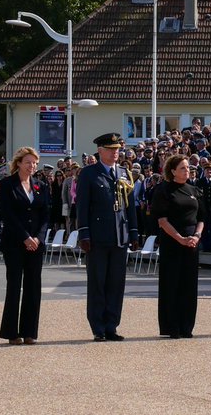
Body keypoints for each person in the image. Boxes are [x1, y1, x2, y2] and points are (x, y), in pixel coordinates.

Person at [77, 132, 140, 342]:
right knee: (97, 283)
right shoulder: (89, 174)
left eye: (118, 150)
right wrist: (84, 233)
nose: (116, 153)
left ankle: (112, 325)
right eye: (111, 150)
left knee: (116, 284)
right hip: (97, 237)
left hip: (119, 237)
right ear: (100, 151)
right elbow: (82, 206)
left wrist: (133, 232)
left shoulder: (124, 173)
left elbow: (130, 207)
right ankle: (98, 327)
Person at [0, 146, 49, 344]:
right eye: (28, 162)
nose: (32, 166)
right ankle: (11, 332)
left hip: (36, 244)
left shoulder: (40, 185)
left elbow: (45, 215)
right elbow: (8, 214)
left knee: (33, 287)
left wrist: (38, 238)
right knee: (15, 286)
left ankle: (29, 332)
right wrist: (25, 237)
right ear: (18, 163)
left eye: (35, 163)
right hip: (14, 243)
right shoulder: (7, 184)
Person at [151, 154, 205, 338]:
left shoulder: (194, 190)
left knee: (189, 285)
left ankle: (186, 326)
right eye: (183, 168)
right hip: (172, 242)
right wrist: (180, 238)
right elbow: (162, 220)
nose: (187, 170)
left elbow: (201, 218)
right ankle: (171, 326)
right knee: (172, 283)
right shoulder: (164, 190)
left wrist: (196, 235)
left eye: (188, 167)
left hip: (192, 243)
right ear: (173, 171)